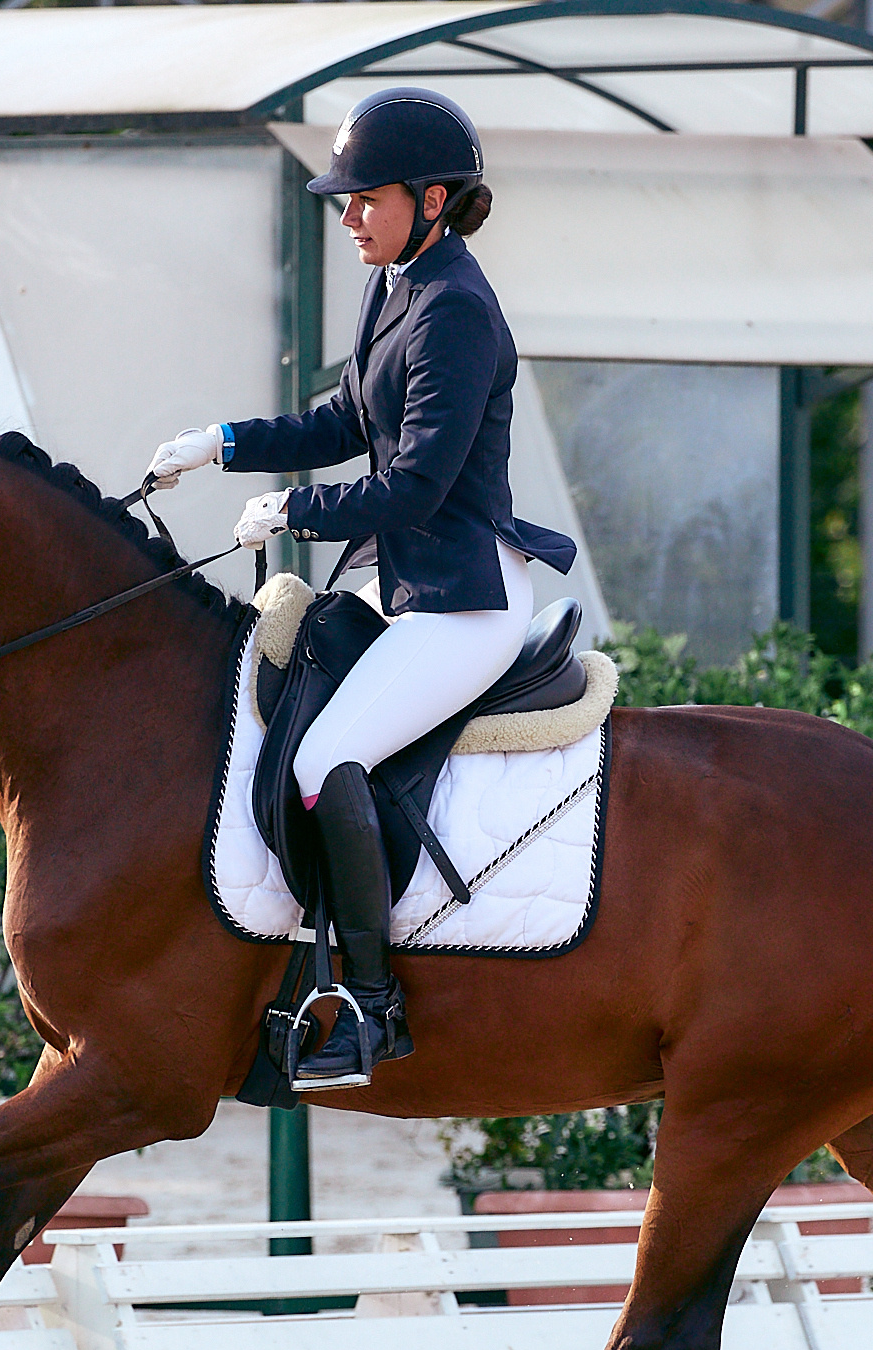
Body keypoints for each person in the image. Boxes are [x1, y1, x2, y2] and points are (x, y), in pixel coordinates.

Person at [147, 87, 577, 1092]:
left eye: (362, 200)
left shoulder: (459, 311)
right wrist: (227, 445)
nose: (346, 217)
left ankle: (373, 1010)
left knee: (330, 752)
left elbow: (417, 481)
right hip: (400, 587)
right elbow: (345, 419)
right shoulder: (398, 285)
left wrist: (296, 513)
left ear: (431, 199)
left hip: (462, 601)